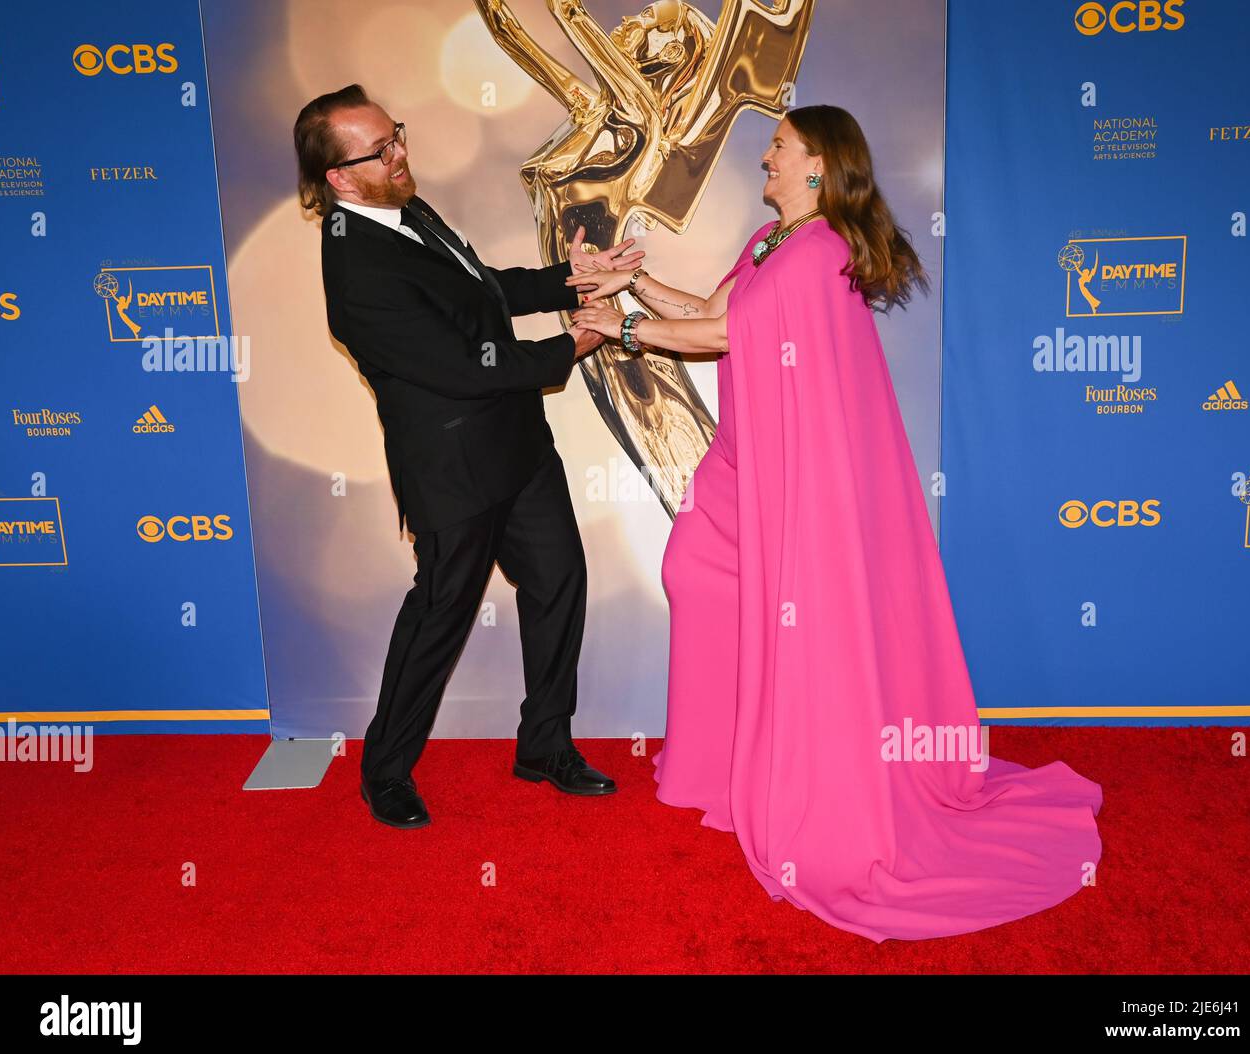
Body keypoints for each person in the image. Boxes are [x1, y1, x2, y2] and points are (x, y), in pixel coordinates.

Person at [569, 104, 1104, 941]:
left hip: (797, 485)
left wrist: (625, 329)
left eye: (779, 147)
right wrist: (630, 282)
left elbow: (721, 332)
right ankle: (722, 769)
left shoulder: (821, 255)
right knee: (697, 575)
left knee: (780, 619)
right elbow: (711, 309)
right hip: (745, 469)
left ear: (819, 165)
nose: (765, 159)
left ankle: (786, 777)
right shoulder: (767, 244)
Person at [294, 84, 642, 829]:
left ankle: (544, 745)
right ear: (339, 178)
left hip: (517, 444)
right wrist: (570, 344)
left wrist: (567, 280)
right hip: (453, 471)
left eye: (398, 134)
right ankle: (385, 770)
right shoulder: (357, 274)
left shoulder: (403, 206)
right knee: (441, 615)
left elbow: (478, 294)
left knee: (559, 580)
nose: (400, 154)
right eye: (380, 150)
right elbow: (465, 365)